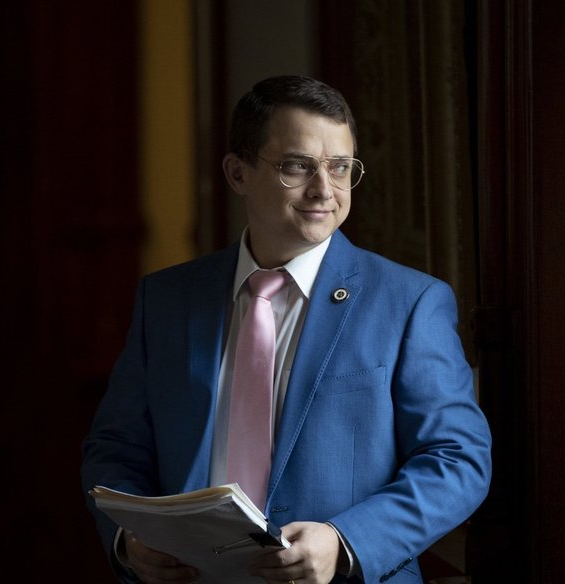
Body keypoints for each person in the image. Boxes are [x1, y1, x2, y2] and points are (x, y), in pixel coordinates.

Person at [81, 75, 492, 584]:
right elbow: (115, 448)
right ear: (237, 173)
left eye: (340, 168)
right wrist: (130, 541)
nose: (325, 190)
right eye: (298, 166)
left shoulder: (409, 302)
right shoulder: (166, 300)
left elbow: (458, 459)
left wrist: (347, 541)